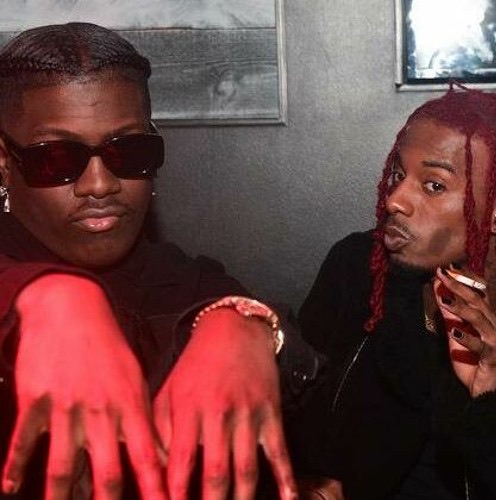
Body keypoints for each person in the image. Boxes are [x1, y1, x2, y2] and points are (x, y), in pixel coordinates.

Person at [0, 22, 319, 499]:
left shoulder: (179, 276)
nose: (99, 184)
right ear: (4, 161)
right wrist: (47, 297)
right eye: (57, 159)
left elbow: (299, 367)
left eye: (128, 152)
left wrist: (247, 325)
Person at [289, 84, 496, 499]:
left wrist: (488, 396)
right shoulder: (359, 268)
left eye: (434, 185)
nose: (395, 200)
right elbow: (301, 412)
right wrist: (312, 479)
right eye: (399, 175)